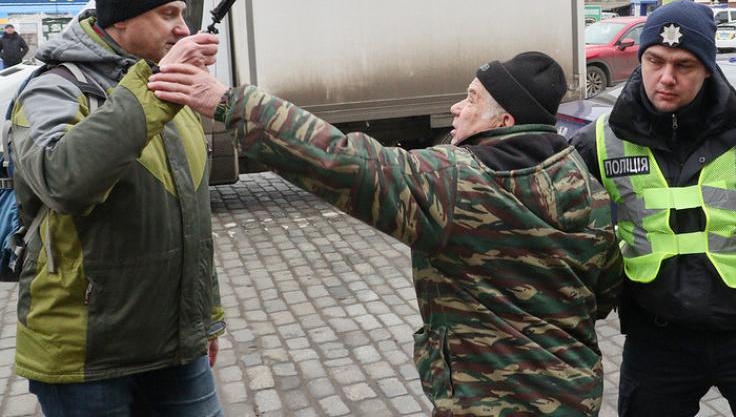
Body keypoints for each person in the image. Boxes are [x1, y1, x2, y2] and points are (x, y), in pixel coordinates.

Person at [148, 51, 623, 416]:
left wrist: (231, 103)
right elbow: (601, 296)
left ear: (505, 121)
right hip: (573, 395)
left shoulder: (456, 183)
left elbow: (343, 161)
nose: (457, 107)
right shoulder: (585, 185)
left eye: (472, 99)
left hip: (487, 403)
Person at [569, 0, 736, 417]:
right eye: (655, 61)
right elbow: (560, 232)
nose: (666, 77)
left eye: (684, 65)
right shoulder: (601, 139)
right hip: (658, 340)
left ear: (709, 67)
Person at [11, 0, 226, 416]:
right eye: (167, 14)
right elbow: (63, 180)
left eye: (183, 16)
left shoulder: (165, 86)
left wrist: (204, 322)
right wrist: (153, 86)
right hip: (88, 360)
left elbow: (193, 223)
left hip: (176, 349)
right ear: (122, 19)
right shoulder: (54, 88)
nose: (183, 30)